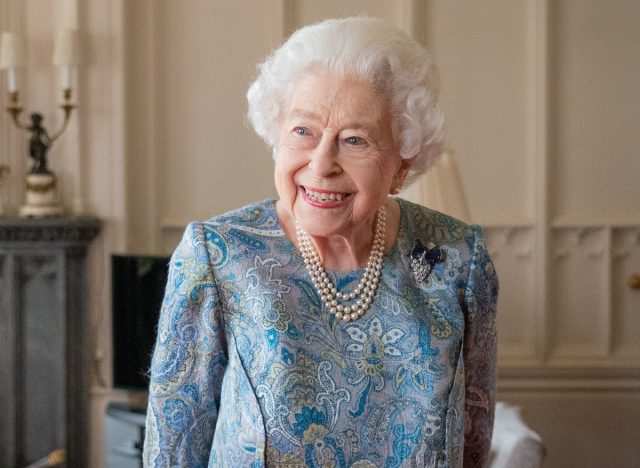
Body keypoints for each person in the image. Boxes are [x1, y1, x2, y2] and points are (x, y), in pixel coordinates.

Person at [143, 17, 498, 468]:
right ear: (277, 136)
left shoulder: (458, 259)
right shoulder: (218, 256)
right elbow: (173, 449)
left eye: (355, 140)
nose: (322, 163)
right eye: (303, 131)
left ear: (402, 162)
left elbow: (473, 443)